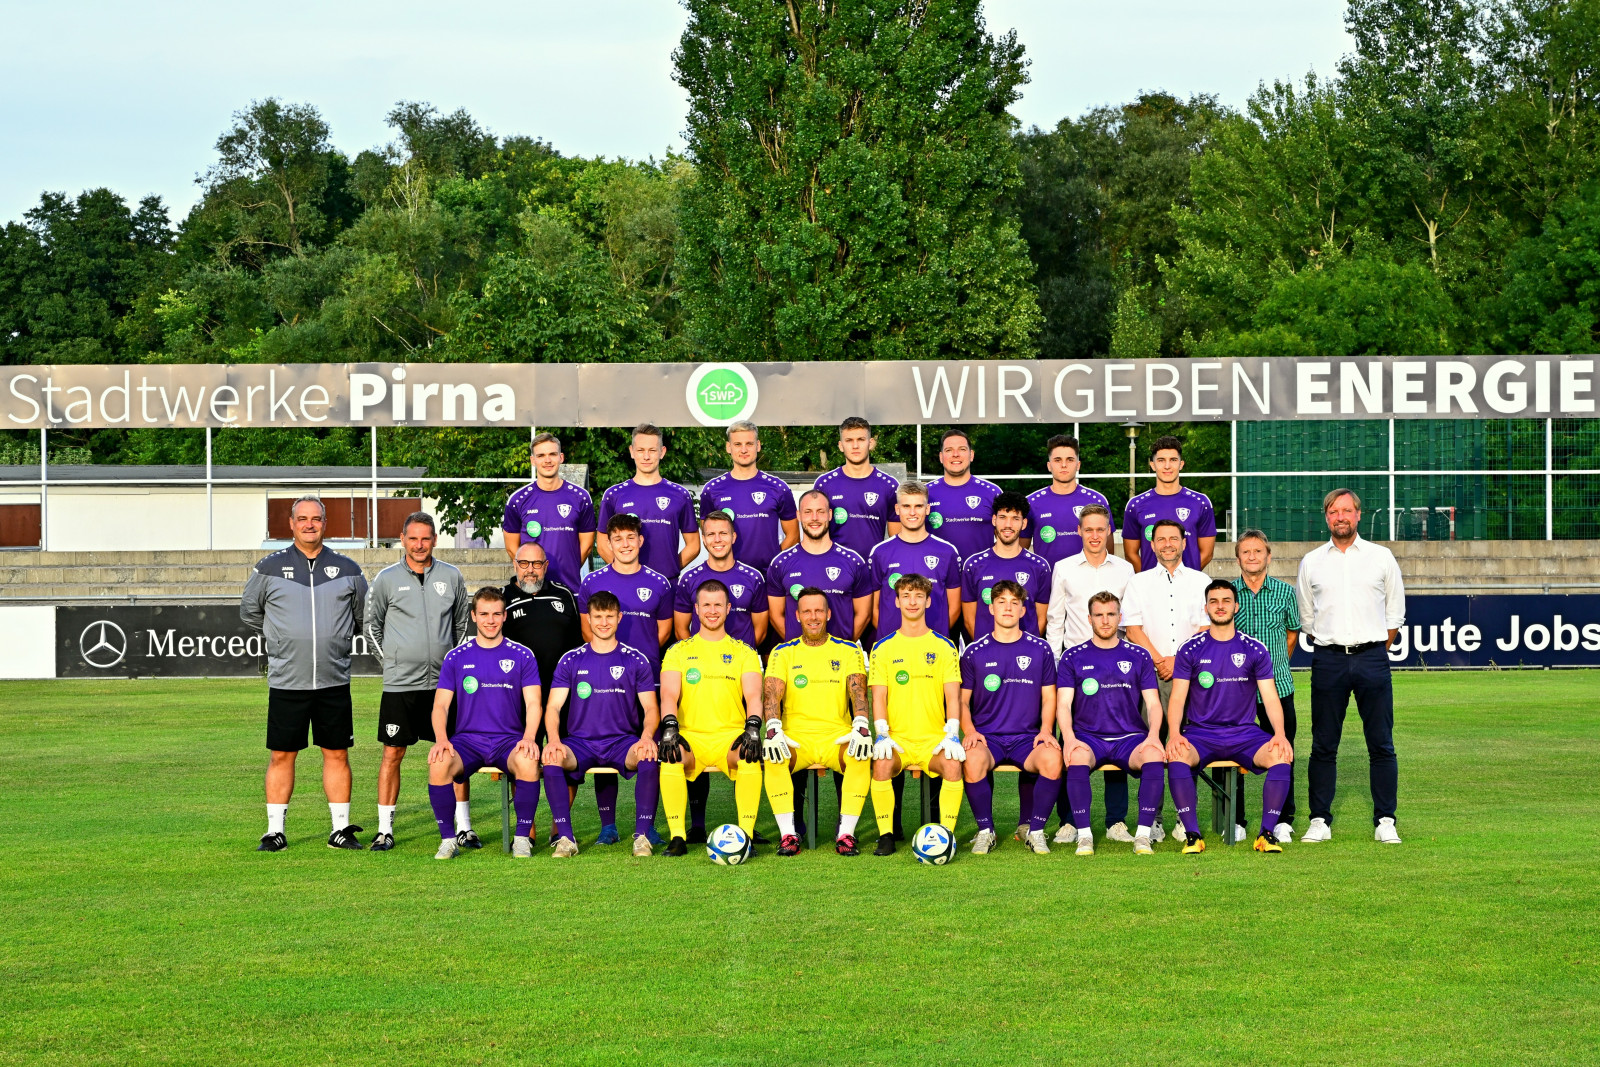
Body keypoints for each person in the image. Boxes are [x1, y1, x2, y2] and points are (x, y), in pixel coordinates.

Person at [241, 494, 369, 852]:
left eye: (316, 518)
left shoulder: (348, 569)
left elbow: (362, 617)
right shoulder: (268, 568)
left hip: (334, 680)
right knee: (282, 755)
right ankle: (274, 831)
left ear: (325, 524)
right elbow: (250, 612)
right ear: (291, 524)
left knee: (337, 754)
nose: (309, 524)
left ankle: (339, 830)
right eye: (303, 518)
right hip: (287, 681)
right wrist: (281, 638)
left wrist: (338, 639)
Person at [1296, 488, 1405, 845]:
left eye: (1346, 510)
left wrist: (1370, 648)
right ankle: (1319, 820)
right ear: (1326, 517)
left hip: (1372, 658)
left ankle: (1385, 820)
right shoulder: (1312, 561)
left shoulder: (1381, 557)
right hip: (1328, 660)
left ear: (1358, 514)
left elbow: (1394, 613)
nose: (1340, 517)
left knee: (1381, 744)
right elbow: (1307, 616)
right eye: (1333, 512)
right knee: (1323, 745)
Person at [657, 581, 797, 856]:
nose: (712, 611)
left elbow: (754, 696)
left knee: (749, 754)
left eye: (718, 605)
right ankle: (677, 837)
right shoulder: (678, 651)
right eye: (706, 605)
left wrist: (754, 728)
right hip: (692, 736)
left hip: (728, 736)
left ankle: (745, 836)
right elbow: (668, 696)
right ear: (696, 609)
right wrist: (670, 727)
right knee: (671, 755)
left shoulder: (744, 651)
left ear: (728, 608)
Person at [363, 511, 471, 852]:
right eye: (413, 538)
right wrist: (391, 665)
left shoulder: (451, 577)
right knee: (393, 754)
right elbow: (371, 627)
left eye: (426, 538)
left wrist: (452, 667)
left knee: (455, 754)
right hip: (401, 686)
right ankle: (385, 830)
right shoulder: (386, 579)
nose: (420, 544)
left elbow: (461, 627)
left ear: (435, 540)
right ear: (403, 539)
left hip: (443, 687)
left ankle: (464, 827)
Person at [1163, 580, 1295, 855]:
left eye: (1226, 601)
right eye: (1214, 601)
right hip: (1201, 734)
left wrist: (1280, 734)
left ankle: (1266, 834)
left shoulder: (1255, 648)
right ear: (1206, 608)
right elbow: (1177, 697)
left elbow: (1270, 697)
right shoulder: (1190, 648)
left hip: (1244, 734)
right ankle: (1192, 835)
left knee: (1281, 756)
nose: (1220, 606)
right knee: (1177, 756)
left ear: (1236, 606)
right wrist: (1174, 733)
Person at [540, 590, 662, 858]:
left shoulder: (635, 659)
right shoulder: (571, 659)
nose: (604, 622)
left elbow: (651, 707)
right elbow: (553, 707)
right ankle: (565, 838)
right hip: (581, 742)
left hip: (622, 742)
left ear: (619, 618)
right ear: (589, 619)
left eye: (609, 616)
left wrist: (646, 736)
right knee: (552, 759)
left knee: (649, 754)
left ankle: (642, 837)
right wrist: (554, 740)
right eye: (598, 617)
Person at [427, 588, 544, 859]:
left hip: (508, 741)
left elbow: (534, 703)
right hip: (468, 741)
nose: (490, 620)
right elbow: (441, 706)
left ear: (504, 616)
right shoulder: (457, 656)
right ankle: (447, 840)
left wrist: (528, 738)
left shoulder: (522, 655)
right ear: (474, 616)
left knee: (528, 761)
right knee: (438, 762)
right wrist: (442, 740)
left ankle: (522, 839)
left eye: (496, 614)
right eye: (484, 614)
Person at [1042, 504, 1135, 839]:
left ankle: (1116, 821)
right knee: (1073, 737)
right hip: (1074, 667)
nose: (1095, 535)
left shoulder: (1125, 570)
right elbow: (1055, 619)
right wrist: (1054, 663)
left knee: (1118, 734)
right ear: (1079, 532)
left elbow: (1130, 619)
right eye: (1088, 529)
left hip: (1115, 666)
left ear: (1109, 531)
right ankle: (1068, 821)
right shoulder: (1064, 568)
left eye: (1101, 529)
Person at [1055, 591, 1167, 856]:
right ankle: (1084, 837)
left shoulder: (1138, 655)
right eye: (1099, 615)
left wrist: (1153, 736)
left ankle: (1142, 835)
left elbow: (1153, 703)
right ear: (1089, 618)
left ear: (1120, 617)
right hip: (1089, 737)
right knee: (1077, 757)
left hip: (1129, 738)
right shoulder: (1073, 656)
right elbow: (1063, 704)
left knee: (1153, 754)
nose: (1105, 621)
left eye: (1110, 614)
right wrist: (1069, 739)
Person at [1118, 519, 1209, 840]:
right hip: (1150, 679)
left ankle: (1186, 819)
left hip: (1191, 679)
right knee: (1152, 745)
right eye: (1161, 539)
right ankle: (1152, 818)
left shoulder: (1201, 581)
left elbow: (1206, 627)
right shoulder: (1138, 582)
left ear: (1185, 543)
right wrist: (1160, 661)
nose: (1168, 544)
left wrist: (1176, 661)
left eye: (1174, 538)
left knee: (1187, 744)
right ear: (1152, 545)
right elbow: (1132, 628)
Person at [763, 589, 873, 855]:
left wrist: (861, 725)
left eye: (819, 611)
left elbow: (858, 692)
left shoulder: (848, 650)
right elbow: (771, 694)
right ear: (798, 615)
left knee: (860, 755)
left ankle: (845, 835)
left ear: (828, 614)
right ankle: (788, 835)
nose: (813, 617)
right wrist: (772, 728)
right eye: (807, 611)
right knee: (773, 756)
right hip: (795, 738)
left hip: (835, 736)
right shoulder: (783, 652)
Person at [958, 581, 1060, 856]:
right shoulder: (974, 651)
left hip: (1027, 738)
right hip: (988, 737)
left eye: (1014, 602)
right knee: (973, 758)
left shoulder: (1040, 649)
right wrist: (969, 730)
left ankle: (1035, 831)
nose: (1008, 607)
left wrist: (1047, 730)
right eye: (1001, 601)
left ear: (1022, 609)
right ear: (990, 608)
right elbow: (962, 701)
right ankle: (985, 831)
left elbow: (1050, 697)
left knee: (1052, 758)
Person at [867, 574, 964, 856]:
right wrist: (882, 733)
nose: (912, 601)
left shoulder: (944, 647)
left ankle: (946, 835)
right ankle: (886, 835)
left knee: (953, 766)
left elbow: (953, 696)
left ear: (928, 601)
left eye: (918, 596)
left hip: (934, 739)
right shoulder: (882, 648)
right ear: (896, 602)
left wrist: (953, 734)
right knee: (882, 765)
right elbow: (879, 696)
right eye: (906, 596)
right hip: (898, 740)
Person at [1230, 529, 1301, 844]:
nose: (1252, 557)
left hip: (1279, 688)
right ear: (1238, 558)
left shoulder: (1285, 593)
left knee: (1283, 751)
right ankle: (1237, 820)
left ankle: (1283, 819)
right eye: (1246, 552)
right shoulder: (1229, 594)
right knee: (1238, 754)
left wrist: (1272, 670)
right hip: (1238, 692)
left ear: (1268, 556)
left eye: (1258, 551)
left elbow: (1291, 634)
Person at [597, 423, 700, 584]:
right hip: (626, 583)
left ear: (662, 452)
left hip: (668, 584)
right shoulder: (614, 495)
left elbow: (693, 545)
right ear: (632, 452)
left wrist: (670, 570)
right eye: (641, 450)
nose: (646, 456)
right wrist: (625, 571)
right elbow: (602, 544)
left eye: (652, 450)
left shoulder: (680, 495)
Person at [766, 489, 873, 643]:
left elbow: (864, 615)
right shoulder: (780, 563)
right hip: (799, 659)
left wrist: (843, 647)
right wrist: (799, 647)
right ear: (798, 516)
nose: (814, 518)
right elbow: (776, 616)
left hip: (840, 660)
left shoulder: (854, 561)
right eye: (808, 512)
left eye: (820, 512)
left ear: (830, 515)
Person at [578, 514, 673, 681]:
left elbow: (664, 633)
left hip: (647, 673)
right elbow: (587, 631)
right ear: (609, 544)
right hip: (604, 672)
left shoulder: (660, 583)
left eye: (631, 537)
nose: (626, 545)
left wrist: (637, 658)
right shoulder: (591, 582)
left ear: (640, 541)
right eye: (618, 539)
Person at [698, 420, 798, 576]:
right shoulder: (712, 490)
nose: (744, 450)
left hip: (768, 578)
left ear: (758, 446)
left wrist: (774, 563)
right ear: (728, 447)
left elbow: (793, 535)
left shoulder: (779, 488)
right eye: (737, 444)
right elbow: (708, 534)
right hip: (726, 576)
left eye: (749, 444)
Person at [502, 433, 596, 593]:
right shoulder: (517, 500)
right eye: (541, 455)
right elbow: (512, 548)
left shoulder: (581, 497)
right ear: (533, 460)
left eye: (552, 454)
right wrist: (532, 573)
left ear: (561, 457)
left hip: (569, 589)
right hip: (531, 591)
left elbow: (587, 546)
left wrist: (568, 567)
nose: (547, 460)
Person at [868, 480, 961, 639]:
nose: (912, 512)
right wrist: (892, 640)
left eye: (918, 506)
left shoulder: (947, 552)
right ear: (897, 509)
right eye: (906, 506)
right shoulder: (880, 552)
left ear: (927, 509)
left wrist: (934, 639)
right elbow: (873, 608)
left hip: (933, 649)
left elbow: (954, 608)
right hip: (892, 648)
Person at [961, 492, 1052, 642]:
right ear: (994, 520)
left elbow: (1041, 620)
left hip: (1025, 657)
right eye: (1003, 518)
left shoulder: (1039, 567)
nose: (1008, 525)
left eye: (1015, 519)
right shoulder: (974, 565)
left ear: (1024, 524)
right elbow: (970, 621)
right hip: (986, 656)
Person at [1121, 435, 1216, 574]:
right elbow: (1131, 554)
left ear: (1181, 464)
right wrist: (1150, 579)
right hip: (1152, 589)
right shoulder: (1136, 505)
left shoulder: (1201, 502)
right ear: (1152, 465)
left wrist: (1184, 577)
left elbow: (1207, 553)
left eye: (1173, 460)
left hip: (1188, 588)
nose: (1167, 466)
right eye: (1161, 460)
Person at [675, 511, 769, 648]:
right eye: (711, 534)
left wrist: (742, 657)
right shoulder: (688, 579)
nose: (717, 539)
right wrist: (697, 654)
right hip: (703, 663)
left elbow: (761, 630)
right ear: (704, 539)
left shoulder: (753, 578)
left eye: (723, 533)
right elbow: (680, 629)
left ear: (733, 537)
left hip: (741, 665)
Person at [814, 416, 901, 563]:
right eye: (849, 440)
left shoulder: (889, 485)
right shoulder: (824, 484)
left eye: (861, 439)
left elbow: (896, 541)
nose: (855, 446)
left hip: (874, 569)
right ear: (841, 446)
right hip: (835, 568)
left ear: (871, 443)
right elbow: (816, 534)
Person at [1024, 434, 1110, 574]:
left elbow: (1108, 551)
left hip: (1088, 585)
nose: (1064, 465)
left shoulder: (1097, 500)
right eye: (1057, 460)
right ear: (1049, 465)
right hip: (1047, 586)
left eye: (1070, 460)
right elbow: (1021, 553)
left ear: (1078, 465)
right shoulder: (1031, 502)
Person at [925, 428, 1003, 565]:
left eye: (962, 449)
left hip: (981, 577)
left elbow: (1005, 538)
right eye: (949, 450)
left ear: (971, 455)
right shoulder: (925, 493)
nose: (956, 454)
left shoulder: (992, 492)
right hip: (937, 577)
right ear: (941, 457)